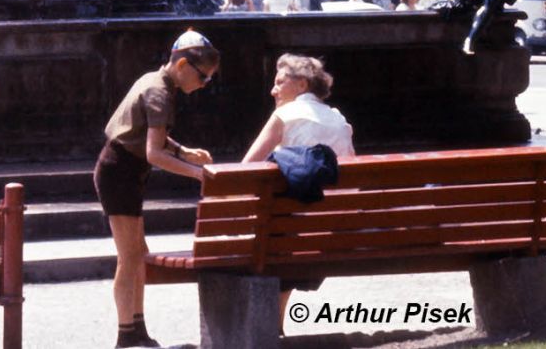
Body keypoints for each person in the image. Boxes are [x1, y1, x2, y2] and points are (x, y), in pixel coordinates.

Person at [94, 29, 218, 349]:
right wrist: (197, 174)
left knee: (138, 255)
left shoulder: (155, 80)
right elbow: (154, 153)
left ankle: (136, 328)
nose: (204, 84)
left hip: (125, 170)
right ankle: (126, 334)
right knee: (129, 257)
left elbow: (152, 136)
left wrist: (184, 151)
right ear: (181, 66)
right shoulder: (159, 92)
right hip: (119, 172)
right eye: (203, 77)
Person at [243, 53, 355, 162]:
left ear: (302, 85)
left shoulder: (284, 114)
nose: (273, 92)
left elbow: (246, 168)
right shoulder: (339, 118)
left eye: (280, 82)